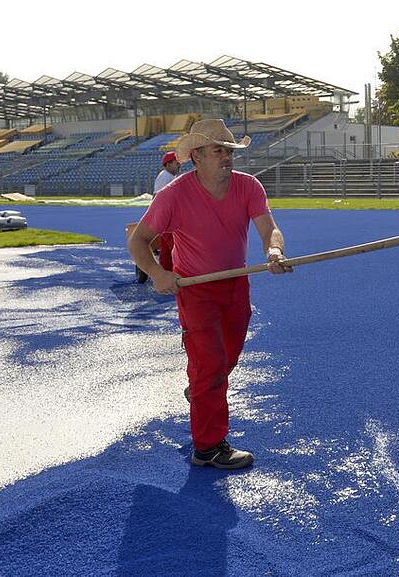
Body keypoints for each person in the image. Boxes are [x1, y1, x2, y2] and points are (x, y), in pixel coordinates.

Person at [128, 119, 292, 469]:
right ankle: (208, 447)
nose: (226, 156)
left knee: (223, 361)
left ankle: (202, 391)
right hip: (196, 290)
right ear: (197, 156)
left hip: (236, 284)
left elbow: (269, 229)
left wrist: (274, 252)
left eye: (229, 150)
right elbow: (138, 240)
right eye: (218, 150)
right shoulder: (172, 195)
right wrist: (157, 273)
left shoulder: (249, 187)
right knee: (212, 365)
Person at [153, 151, 181, 271]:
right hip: (167, 217)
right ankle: (179, 270)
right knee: (176, 246)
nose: (179, 165)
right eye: (176, 163)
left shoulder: (165, 176)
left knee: (165, 247)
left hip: (162, 217)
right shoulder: (167, 177)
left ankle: (165, 270)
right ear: (168, 164)